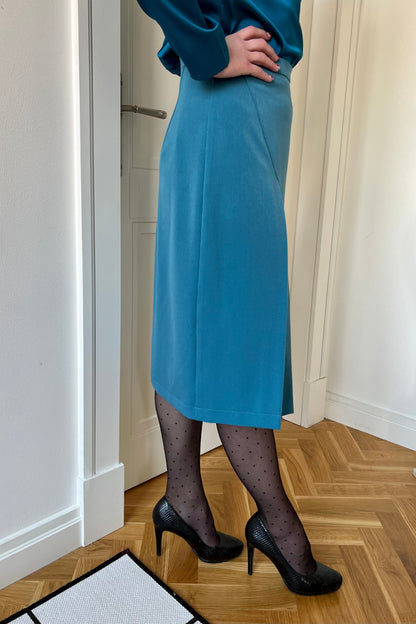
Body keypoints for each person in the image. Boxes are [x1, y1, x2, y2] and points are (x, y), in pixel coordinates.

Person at [136, 0, 342, 596]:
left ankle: (184, 502)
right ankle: (278, 526)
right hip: (226, 108)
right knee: (234, 333)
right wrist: (209, 49)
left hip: (247, 107)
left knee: (199, 324)